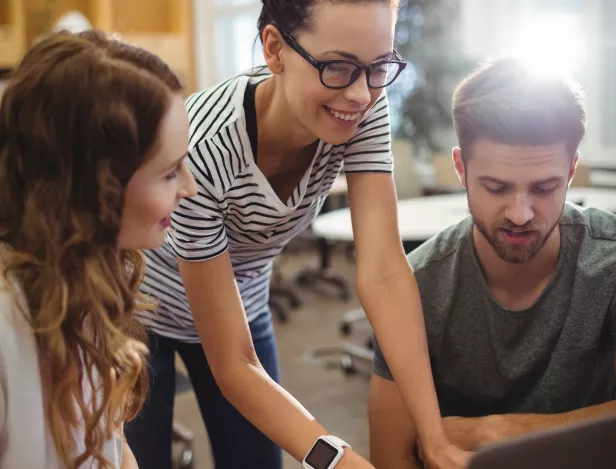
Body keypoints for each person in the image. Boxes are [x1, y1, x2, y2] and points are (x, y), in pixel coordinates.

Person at [125, 1, 468, 468]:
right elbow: (233, 365)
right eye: (338, 67)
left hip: (241, 300)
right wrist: (339, 460)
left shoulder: (363, 107)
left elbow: (384, 273)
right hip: (143, 311)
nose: (361, 94)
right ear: (275, 49)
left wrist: (433, 435)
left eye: (378, 67)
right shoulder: (206, 147)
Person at [369, 57, 616, 468]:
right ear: (461, 169)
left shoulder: (608, 264)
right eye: (496, 187)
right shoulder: (412, 286)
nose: (520, 213)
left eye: (544, 187)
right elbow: (391, 457)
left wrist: (493, 433)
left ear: (571, 171)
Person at [0, 29, 197, 468]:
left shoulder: (95, 277)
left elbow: (112, 446)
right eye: (170, 172)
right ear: (97, 186)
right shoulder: (6, 326)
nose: (191, 187)